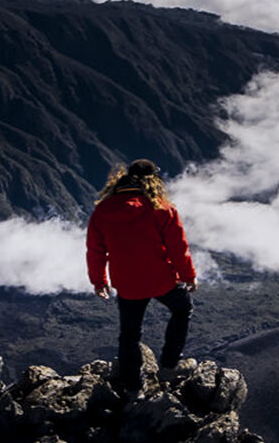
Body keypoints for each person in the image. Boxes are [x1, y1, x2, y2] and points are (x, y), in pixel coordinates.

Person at [86, 159, 197, 396]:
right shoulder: (162, 209)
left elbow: (96, 250)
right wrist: (189, 276)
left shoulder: (103, 210)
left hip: (127, 284)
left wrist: (99, 281)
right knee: (182, 309)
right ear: (153, 180)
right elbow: (178, 247)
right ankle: (169, 366)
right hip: (161, 279)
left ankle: (133, 387)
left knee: (129, 334)